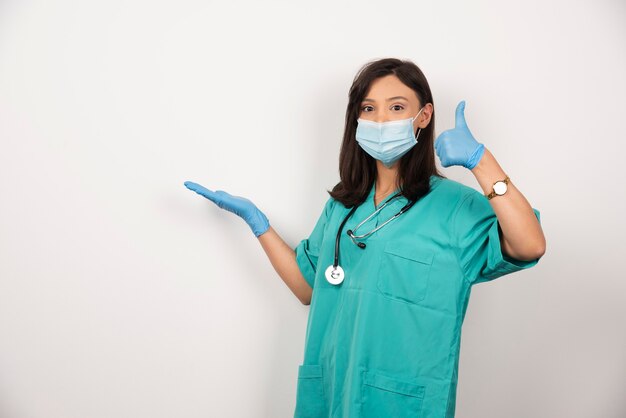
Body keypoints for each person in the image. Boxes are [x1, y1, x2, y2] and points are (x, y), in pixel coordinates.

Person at [184, 57, 546, 418]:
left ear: (424, 116)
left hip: (402, 403)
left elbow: (529, 245)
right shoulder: (343, 206)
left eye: (397, 107)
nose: (381, 120)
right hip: (331, 394)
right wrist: (258, 223)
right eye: (368, 108)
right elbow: (307, 286)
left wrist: (481, 161)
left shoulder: (454, 207)